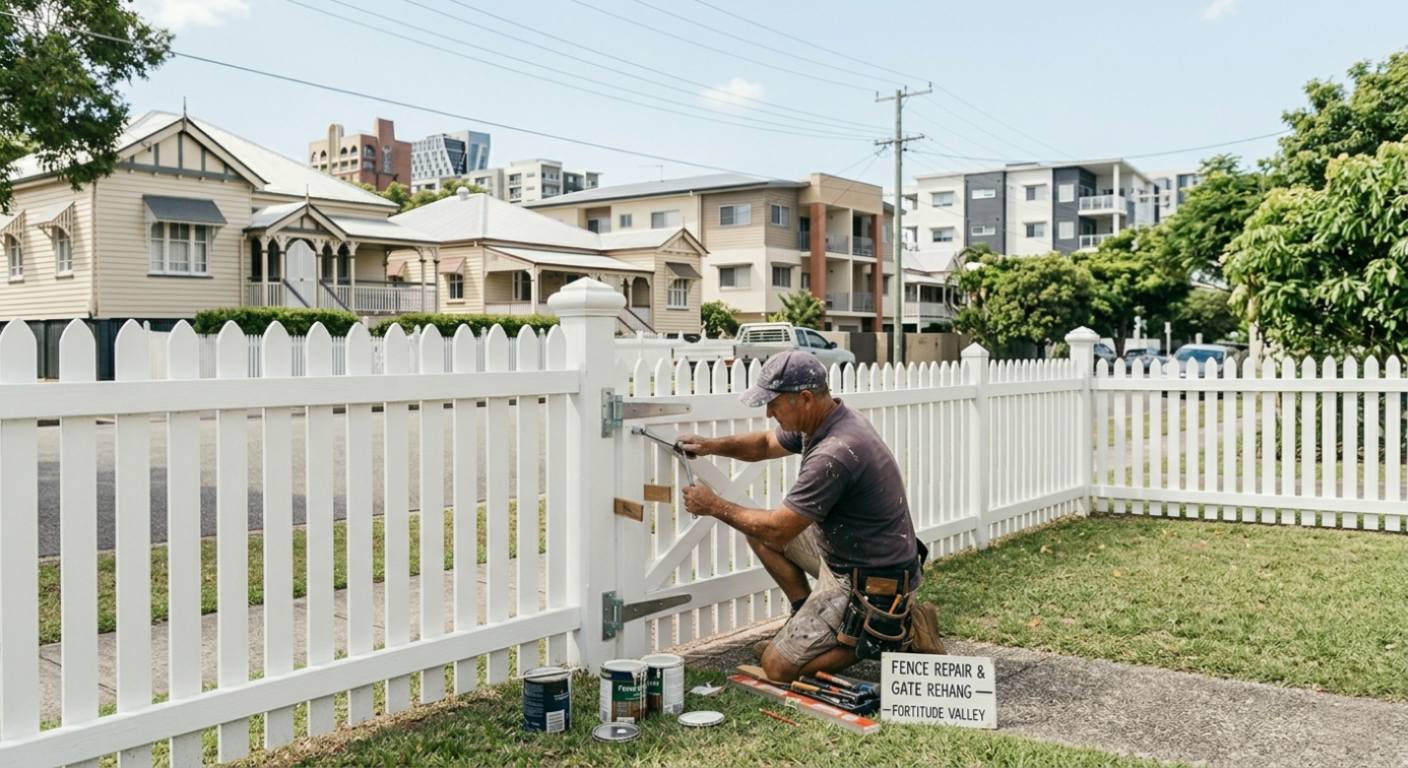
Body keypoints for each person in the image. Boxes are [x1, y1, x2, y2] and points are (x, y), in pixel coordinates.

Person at [680, 350, 943, 684]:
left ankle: (896, 631)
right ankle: (805, 614)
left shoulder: (835, 453)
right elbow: (763, 444)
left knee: (777, 669)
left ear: (804, 398)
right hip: (847, 554)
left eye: (774, 404)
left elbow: (778, 530)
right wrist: (709, 445)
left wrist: (714, 506)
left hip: (873, 579)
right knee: (756, 530)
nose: (769, 412)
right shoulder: (827, 418)